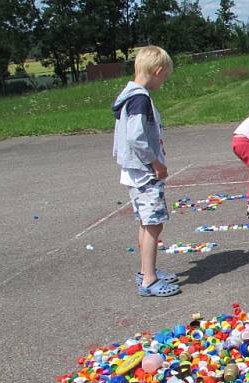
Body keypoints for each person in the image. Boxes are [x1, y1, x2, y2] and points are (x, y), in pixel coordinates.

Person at [112, 45, 179, 297]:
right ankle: (149, 280)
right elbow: (136, 138)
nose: (164, 81)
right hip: (144, 173)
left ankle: (145, 270)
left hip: (134, 172)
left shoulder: (129, 95)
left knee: (145, 222)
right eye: (165, 77)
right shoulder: (140, 99)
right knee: (153, 225)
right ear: (158, 71)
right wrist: (156, 163)